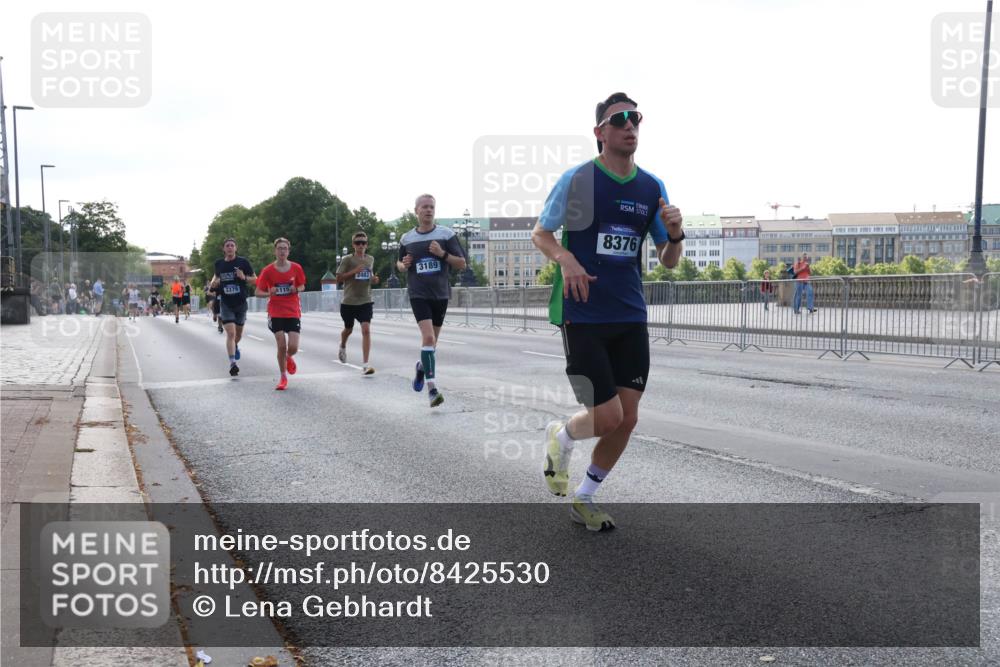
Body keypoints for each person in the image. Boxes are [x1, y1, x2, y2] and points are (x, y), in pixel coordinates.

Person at [531, 92, 684, 532]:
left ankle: (585, 497)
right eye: (620, 119)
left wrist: (675, 234)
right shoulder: (578, 180)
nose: (630, 125)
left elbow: (668, 260)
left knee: (628, 418)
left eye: (636, 118)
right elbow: (541, 234)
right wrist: (567, 259)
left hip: (629, 315)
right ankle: (562, 435)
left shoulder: (651, 187)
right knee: (609, 415)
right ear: (601, 132)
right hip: (583, 312)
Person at [397, 194, 466, 407]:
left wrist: (442, 254)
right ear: (416, 210)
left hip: (440, 294)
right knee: (428, 339)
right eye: (425, 207)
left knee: (432, 344)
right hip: (418, 294)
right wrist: (404, 264)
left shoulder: (446, 235)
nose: (429, 210)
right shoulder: (406, 238)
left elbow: (462, 263)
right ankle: (432, 389)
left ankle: (421, 367)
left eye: (432, 207)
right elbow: (398, 264)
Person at [255, 237, 306, 390]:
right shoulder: (268, 271)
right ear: (275, 251)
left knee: (294, 346)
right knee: (281, 345)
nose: (282, 251)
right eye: (279, 248)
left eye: (285, 248)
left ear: (288, 251)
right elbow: (257, 292)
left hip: (292, 311)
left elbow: (303, 285)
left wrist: (296, 289)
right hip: (275, 311)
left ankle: (289, 358)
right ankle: (283, 377)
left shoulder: (296, 268)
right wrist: (269, 293)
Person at [336, 231, 380, 375]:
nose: (361, 245)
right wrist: (354, 271)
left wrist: (373, 279)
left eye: (363, 243)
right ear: (353, 245)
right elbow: (338, 278)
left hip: (365, 300)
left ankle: (366, 364)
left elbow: (369, 275)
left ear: (367, 244)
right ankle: (342, 345)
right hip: (349, 301)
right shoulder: (347, 260)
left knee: (366, 330)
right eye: (358, 243)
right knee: (348, 329)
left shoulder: (370, 259)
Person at [210, 238, 256, 376]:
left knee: (238, 334)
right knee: (231, 333)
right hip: (226, 303)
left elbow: (256, 280)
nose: (230, 248)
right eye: (227, 246)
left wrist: (244, 277)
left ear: (236, 248)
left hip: (241, 303)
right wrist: (214, 283)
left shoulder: (243, 262)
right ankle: (232, 364)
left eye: (232, 245)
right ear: (223, 249)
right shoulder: (219, 264)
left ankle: (235, 345)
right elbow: (215, 277)